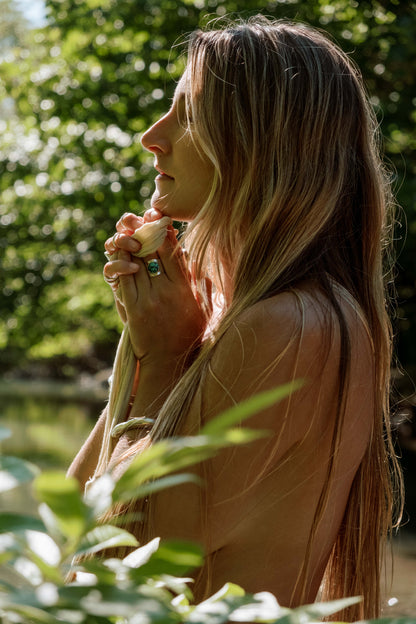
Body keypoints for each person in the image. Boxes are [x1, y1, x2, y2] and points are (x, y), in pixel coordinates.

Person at [67, 16, 402, 621]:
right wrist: (144, 347)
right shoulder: (284, 316)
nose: (152, 137)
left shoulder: (290, 328)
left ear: (258, 143)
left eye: (187, 114)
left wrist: (163, 361)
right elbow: (68, 519)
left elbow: (114, 571)